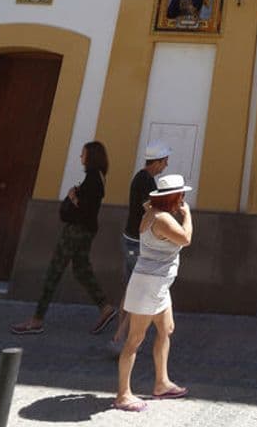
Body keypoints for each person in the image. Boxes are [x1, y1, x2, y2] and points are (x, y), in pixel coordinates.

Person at [11, 141, 116, 336]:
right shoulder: (99, 177)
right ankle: (105, 307)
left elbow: (85, 209)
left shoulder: (93, 179)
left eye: (83, 154)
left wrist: (72, 197)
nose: (81, 157)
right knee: (81, 270)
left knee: (54, 272)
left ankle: (36, 320)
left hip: (76, 232)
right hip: (86, 231)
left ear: (91, 156)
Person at [114, 173, 193, 412]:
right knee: (134, 340)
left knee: (166, 329)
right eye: (181, 195)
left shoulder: (152, 213)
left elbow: (151, 206)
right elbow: (186, 238)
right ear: (173, 197)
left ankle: (161, 383)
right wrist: (188, 215)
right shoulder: (162, 220)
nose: (184, 198)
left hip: (158, 285)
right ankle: (123, 395)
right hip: (149, 285)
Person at [109, 141, 170, 355]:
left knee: (129, 288)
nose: (165, 166)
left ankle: (120, 334)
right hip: (137, 242)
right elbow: (148, 209)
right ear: (158, 162)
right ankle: (120, 338)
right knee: (137, 289)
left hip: (130, 239)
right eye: (164, 162)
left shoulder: (141, 178)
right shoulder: (146, 181)